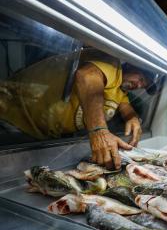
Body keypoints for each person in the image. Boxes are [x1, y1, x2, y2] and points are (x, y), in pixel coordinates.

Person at [0, 48, 158, 169]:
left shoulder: (119, 91)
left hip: (38, 138)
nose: (139, 85)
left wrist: (133, 118)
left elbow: (126, 107)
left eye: (143, 86)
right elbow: (87, 76)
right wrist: (99, 131)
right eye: (141, 78)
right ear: (131, 65)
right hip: (12, 120)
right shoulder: (112, 64)